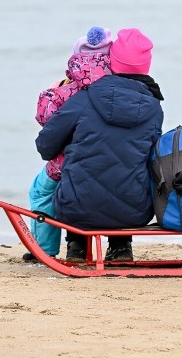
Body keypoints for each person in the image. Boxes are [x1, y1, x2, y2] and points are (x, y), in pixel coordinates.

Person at [35, 28, 164, 262]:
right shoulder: (154, 107)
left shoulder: (84, 98)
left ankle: (77, 248)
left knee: (75, 177)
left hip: (76, 208)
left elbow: (46, 146)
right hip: (135, 212)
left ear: (111, 61)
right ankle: (121, 247)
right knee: (127, 167)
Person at [23, 26, 113, 261]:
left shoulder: (67, 89)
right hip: (110, 162)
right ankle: (118, 246)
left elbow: (48, 121)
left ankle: (45, 248)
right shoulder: (120, 88)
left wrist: (51, 92)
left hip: (68, 164)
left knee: (41, 192)